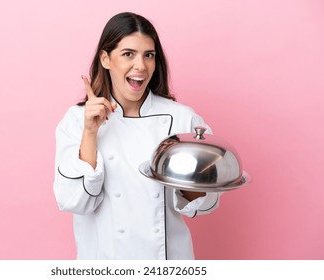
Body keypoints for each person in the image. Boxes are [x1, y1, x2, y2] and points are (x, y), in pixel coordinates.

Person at [53, 12, 220, 260]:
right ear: (105, 59)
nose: (140, 66)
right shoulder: (77, 120)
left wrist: (190, 183)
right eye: (128, 54)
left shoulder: (183, 120)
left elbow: (206, 204)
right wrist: (90, 132)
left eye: (148, 55)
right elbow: (72, 201)